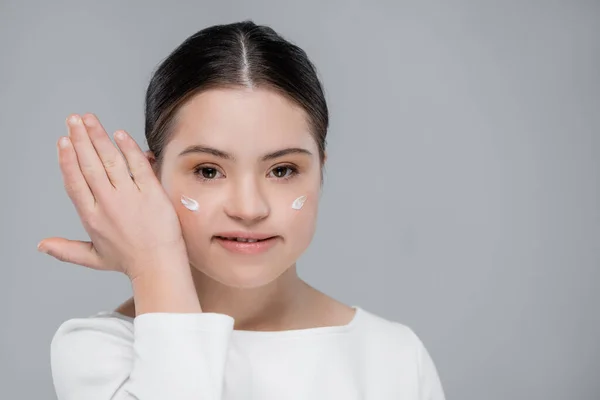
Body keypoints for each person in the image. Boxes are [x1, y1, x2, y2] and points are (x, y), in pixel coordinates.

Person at [44, 20, 446, 400]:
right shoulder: (97, 351)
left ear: (320, 171)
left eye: (282, 170)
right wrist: (154, 264)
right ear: (150, 178)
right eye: (208, 170)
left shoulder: (394, 358)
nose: (249, 208)